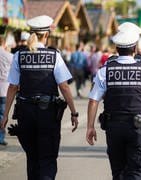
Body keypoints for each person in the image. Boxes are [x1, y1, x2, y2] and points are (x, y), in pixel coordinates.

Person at [0, 15, 79, 180]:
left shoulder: (19, 56)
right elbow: (64, 86)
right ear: (47, 34)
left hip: (25, 113)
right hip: (48, 114)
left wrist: (5, 115)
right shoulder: (54, 55)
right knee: (48, 158)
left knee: (32, 157)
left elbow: (13, 87)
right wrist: (73, 112)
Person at [86, 25, 141, 180]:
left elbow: (93, 100)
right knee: (137, 171)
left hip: (114, 127)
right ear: (135, 48)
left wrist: (90, 127)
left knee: (118, 172)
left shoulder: (105, 70)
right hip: (138, 129)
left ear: (116, 48)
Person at [0, 35, 13, 146]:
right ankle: (1, 137)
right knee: (2, 114)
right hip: (4, 89)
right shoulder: (9, 56)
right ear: (4, 43)